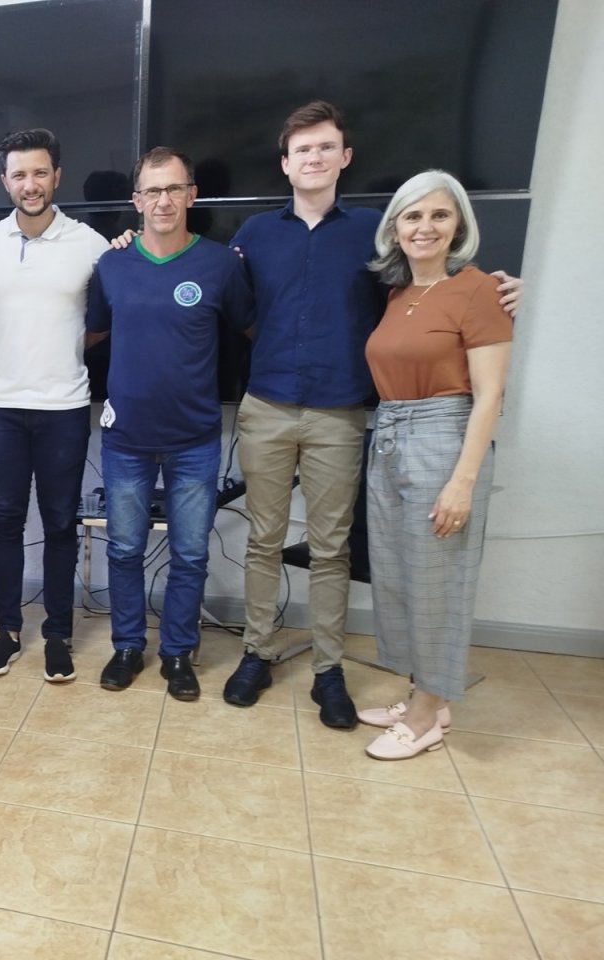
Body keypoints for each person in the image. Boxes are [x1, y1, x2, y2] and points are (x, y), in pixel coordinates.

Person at [220, 102, 522, 728]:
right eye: (303, 149)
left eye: (325, 147)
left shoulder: (375, 235)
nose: (314, 158)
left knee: (330, 548)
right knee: (263, 540)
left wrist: (504, 286)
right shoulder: (253, 234)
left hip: (341, 414)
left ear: (345, 157)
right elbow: (234, 311)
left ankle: (328, 669)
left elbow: (433, 285)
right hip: (267, 406)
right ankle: (257, 651)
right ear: (285, 163)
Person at [357, 170, 512, 759]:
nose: (425, 227)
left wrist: (462, 481)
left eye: (439, 215)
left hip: (443, 437)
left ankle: (425, 720)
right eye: (413, 216)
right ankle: (426, 695)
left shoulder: (480, 290)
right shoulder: (399, 294)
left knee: (439, 582)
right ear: (395, 228)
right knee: (400, 576)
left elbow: (490, 395)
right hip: (389, 433)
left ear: (459, 226)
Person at [88, 148, 253, 700]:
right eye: (152, 191)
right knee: (123, 550)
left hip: (195, 440)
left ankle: (179, 653)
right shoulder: (112, 264)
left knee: (191, 554)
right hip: (126, 439)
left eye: (174, 188)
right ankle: (127, 647)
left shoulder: (220, 264)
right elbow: (92, 334)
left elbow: (252, 331)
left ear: (192, 195)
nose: (163, 200)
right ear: (136, 200)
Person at [0, 128, 109, 683]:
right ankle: (7, 631)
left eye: (40, 173)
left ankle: (57, 634)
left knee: (60, 524)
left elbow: (105, 319)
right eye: (20, 174)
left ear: (57, 177)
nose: (31, 184)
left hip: (64, 408)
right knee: (5, 521)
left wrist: (67, 348)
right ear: (5, 181)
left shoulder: (90, 244)